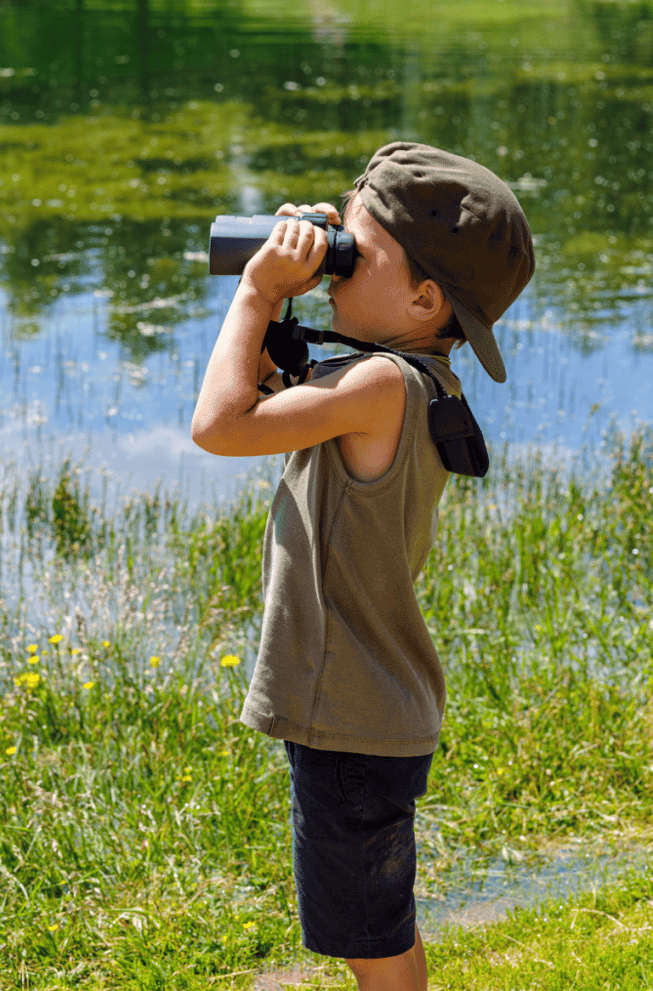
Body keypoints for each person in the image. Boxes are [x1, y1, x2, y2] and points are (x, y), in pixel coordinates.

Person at [190, 141, 534, 991]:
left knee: (370, 940)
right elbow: (265, 394)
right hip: (367, 708)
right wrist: (281, 306)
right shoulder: (412, 377)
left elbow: (221, 425)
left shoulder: (380, 385)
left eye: (354, 249)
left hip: (351, 715)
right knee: (379, 928)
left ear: (424, 297)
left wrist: (256, 290)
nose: (333, 258)